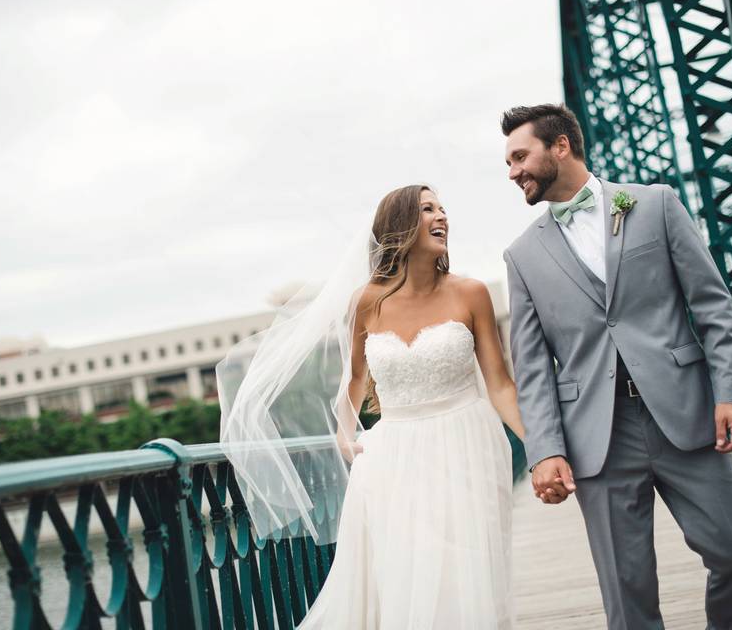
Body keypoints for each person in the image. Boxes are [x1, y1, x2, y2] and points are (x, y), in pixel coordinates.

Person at [501, 103, 732, 629]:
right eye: (508, 163)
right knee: (627, 592)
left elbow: (712, 305)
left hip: (687, 414)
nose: (512, 172)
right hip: (597, 439)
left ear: (561, 146)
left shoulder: (655, 205)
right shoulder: (521, 256)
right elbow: (531, 367)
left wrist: (730, 393)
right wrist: (545, 450)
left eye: (520, 156)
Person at [220, 184, 525, 629]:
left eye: (442, 209)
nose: (441, 217)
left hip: (466, 443)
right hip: (392, 457)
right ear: (400, 226)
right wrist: (345, 432)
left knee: (466, 571)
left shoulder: (471, 293)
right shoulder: (366, 301)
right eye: (427, 210)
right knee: (406, 573)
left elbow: (499, 384)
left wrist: (542, 450)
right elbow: (355, 380)